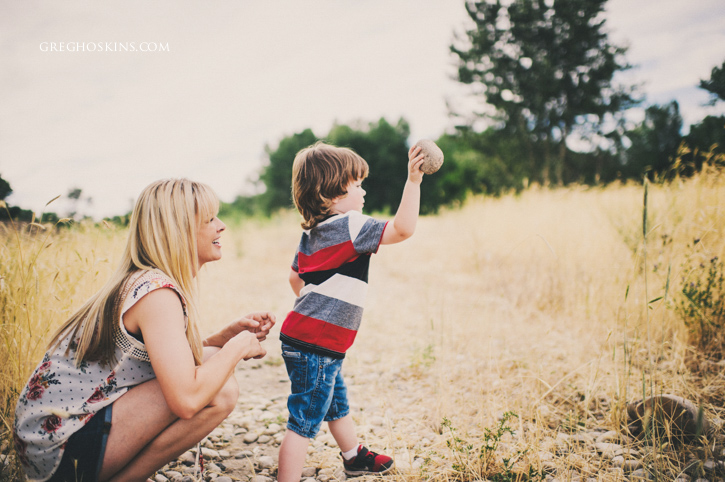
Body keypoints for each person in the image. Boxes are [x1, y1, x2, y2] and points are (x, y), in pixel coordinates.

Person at [13, 178, 276, 482]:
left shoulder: (144, 281)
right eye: (209, 219)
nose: (222, 226)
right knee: (222, 390)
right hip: (59, 451)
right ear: (178, 232)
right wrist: (240, 345)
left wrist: (219, 340)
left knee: (212, 356)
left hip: (47, 443)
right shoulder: (156, 294)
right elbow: (187, 399)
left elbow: (145, 360)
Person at [277, 142, 426, 481]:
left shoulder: (311, 234)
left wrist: (317, 309)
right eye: (356, 184)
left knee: (333, 400)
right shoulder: (351, 225)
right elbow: (402, 229)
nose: (363, 190)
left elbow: (294, 277)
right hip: (316, 344)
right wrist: (413, 182)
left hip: (308, 340)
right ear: (329, 194)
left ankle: (353, 455)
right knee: (303, 423)